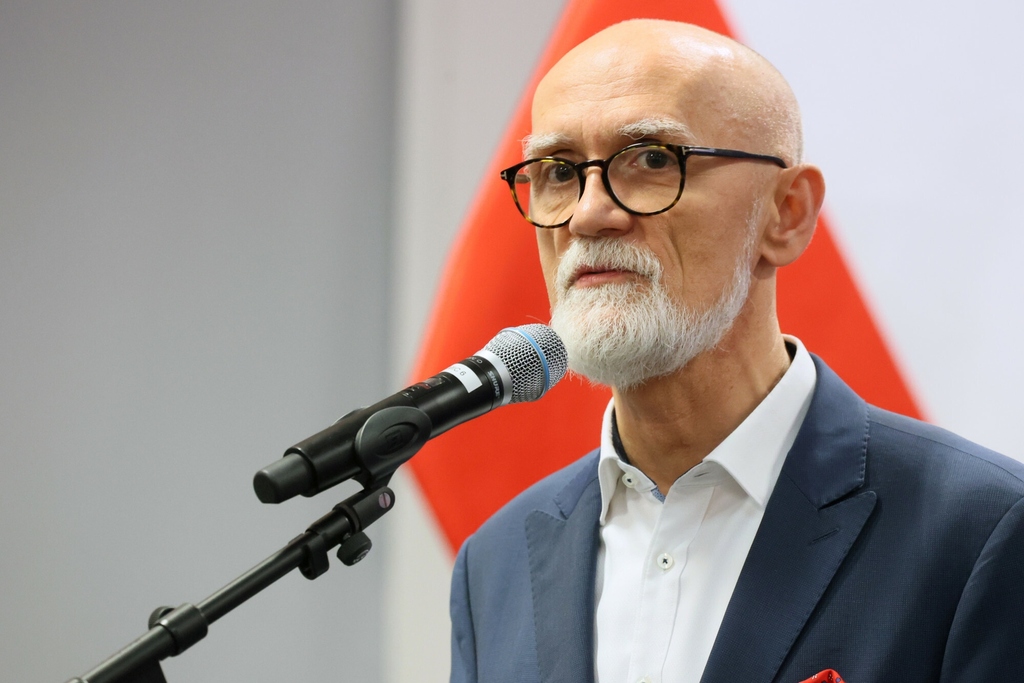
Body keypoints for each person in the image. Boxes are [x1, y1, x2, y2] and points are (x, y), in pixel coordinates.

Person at [449, 19, 1024, 683]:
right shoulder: (494, 565)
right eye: (557, 171)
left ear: (787, 213)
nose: (587, 214)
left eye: (652, 159)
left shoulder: (980, 530)